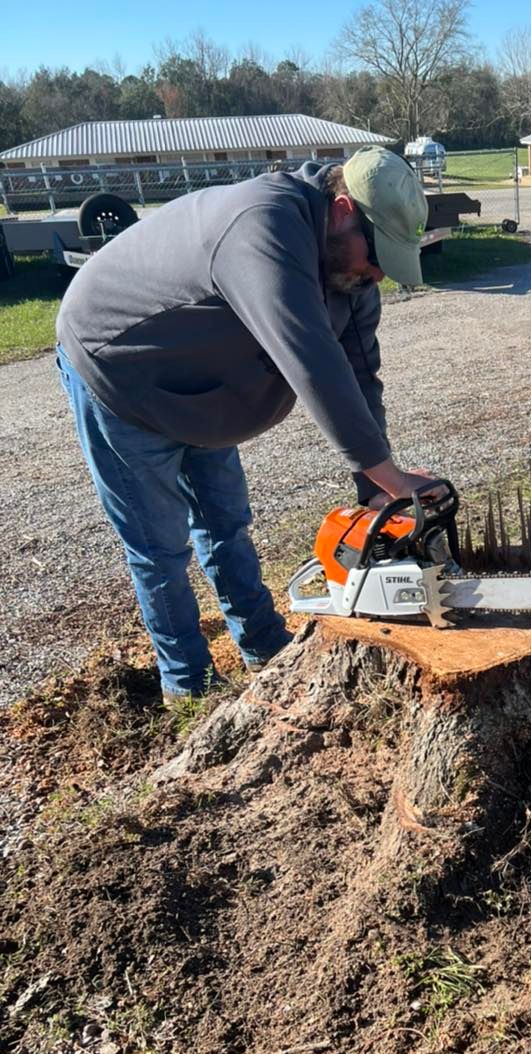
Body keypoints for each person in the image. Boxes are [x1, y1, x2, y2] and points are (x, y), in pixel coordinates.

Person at [55, 147, 432, 703]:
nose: (376, 274)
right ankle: (191, 686)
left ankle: (262, 646)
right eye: (376, 256)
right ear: (345, 209)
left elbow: (359, 372)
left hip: (204, 390)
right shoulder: (264, 224)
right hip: (120, 373)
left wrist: (377, 490)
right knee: (160, 547)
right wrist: (394, 478)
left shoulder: (348, 275)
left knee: (225, 523)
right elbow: (313, 361)